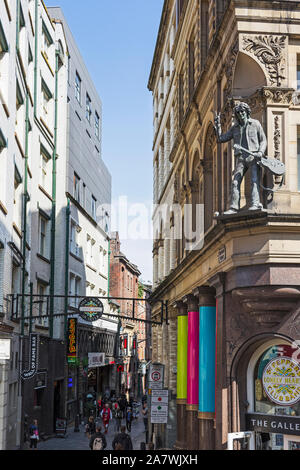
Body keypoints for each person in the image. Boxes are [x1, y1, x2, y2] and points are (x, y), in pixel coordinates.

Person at [214, 102, 267, 214]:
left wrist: (261, 152)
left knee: (254, 180)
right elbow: (221, 139)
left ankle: (255, 204)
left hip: (253, 156)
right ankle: (234, 207)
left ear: (247, 112)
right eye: (238, 112)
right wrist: (218, 127)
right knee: (235, 182)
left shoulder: (255, 124)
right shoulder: (235, 128)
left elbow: (263, 140)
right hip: (241, 158)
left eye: (242, 111)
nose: (240, 114)